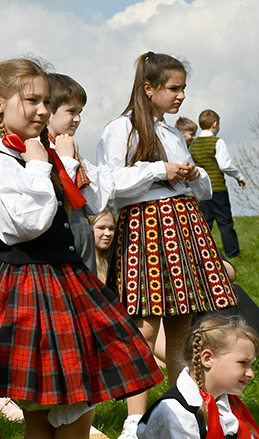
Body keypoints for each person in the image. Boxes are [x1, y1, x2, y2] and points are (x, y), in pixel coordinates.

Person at [0, 58, 162, 439]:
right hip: (25, 287)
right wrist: (42, 166)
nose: (43, 110)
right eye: (31, 100)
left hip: (67, 281)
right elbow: (27, 224)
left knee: (72, 398)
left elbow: (96, 201)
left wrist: (68, 164)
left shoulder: (44, 154)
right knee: (41, 404)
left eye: (47, 102)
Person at [97, 52, 238, 439]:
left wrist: (190, 173)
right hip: (145, 228)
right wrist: (160, 170)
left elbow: (201, 188)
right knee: (143, 325)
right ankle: (133, 418)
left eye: (183, 89)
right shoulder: (121, 129)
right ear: (149, 88)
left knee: (181, 325)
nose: (181, 97)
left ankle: (182, 408)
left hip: (183, 225)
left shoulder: (173, 132)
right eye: (174, 89)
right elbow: (108, 182)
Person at [137, 316, 259, 438]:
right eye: (243, 363)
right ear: (207, 359)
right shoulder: (178, 413)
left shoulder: (225, 400)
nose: (251, 374)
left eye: (252, 364)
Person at [46, 72, 115, 275]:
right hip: (59, 235)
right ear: (49, 111)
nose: (77, 119)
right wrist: (67, 160)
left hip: (81, 230)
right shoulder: (41, 150)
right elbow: (54, 193)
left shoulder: (73, 149)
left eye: (80, 112)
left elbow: (96, 203)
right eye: (71, 111)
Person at [189, 109, 247, 260]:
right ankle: (233, 253)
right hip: (218, 188)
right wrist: (239, 176)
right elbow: (225, 165)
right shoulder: (217, 142)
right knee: (225, 222)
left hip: (201, 190)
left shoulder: (193, 145)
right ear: (215, 124)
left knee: (204, 224)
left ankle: (200, 253)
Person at [89, 208, 116, 283]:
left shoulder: (114, 263)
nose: (108, 233)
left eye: (111, 228)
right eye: (101, 228)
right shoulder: (83, 265)